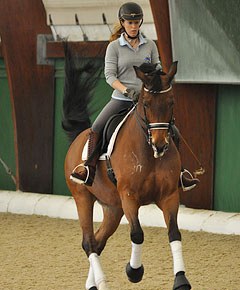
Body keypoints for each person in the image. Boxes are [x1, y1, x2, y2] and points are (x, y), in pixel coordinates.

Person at [70, 2, 199, 191]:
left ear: (140, 22)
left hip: (148, 100)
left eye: (136, 22)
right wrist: (127, 91)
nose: (133, 26)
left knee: (174, 131)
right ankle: (87, 168)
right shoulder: (114, 47)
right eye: (129, 22)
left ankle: (180, 173)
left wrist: (159, 84)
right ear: (123, 23)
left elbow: (157, 70)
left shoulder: (150, 46)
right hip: (122, 99)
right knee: (97, 127)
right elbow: (109, 76)